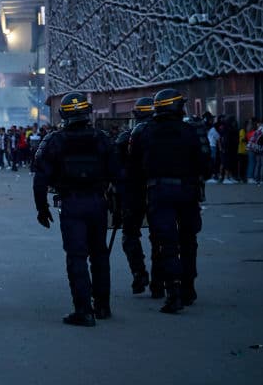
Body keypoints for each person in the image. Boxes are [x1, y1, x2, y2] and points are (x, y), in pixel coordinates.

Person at [33, 92, 118, 326]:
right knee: (100, 254)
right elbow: (118, 175)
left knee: (77, 256)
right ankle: (103, 306)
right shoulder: (102, 138)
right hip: (97, 203)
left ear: (63, 114)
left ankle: (84, 310)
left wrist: (41, 208)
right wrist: (119, 206)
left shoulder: (54, 140)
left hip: (71, 203)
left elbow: (40, 178)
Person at [128, 88, 210, 313]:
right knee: (188, 240)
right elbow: (206, 164)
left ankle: (172, 291)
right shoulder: (191, 130)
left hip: (159, 191)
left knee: (167, 242)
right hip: (188, 191)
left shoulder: (143, 132)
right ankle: (188, 287)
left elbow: (133, 166)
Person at [114, 97, 156, 296]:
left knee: (130, 235)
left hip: (134, 193)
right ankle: (160, 281)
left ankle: (139, 273)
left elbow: (115, 167)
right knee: (162, 238)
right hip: (159, 192)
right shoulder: (166, 134)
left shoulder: (127, 137)